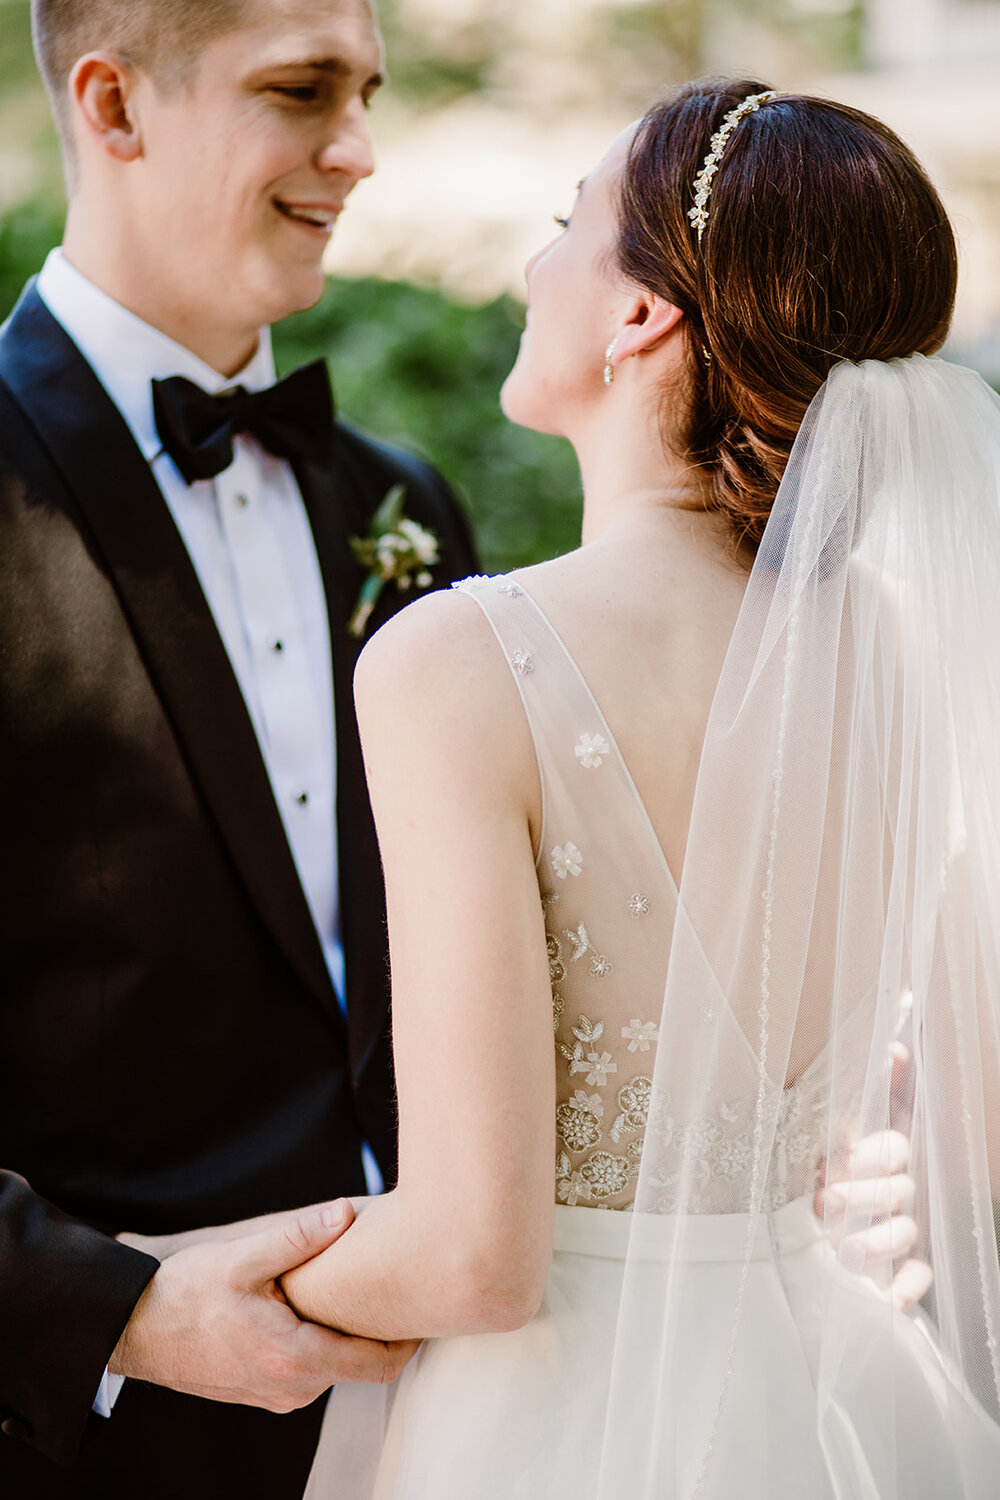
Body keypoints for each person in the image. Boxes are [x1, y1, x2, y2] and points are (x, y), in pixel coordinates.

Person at [230, 80, 1000, 1496]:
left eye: (561, 226)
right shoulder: (896, 651)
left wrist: (190, 1288)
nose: (533, 272)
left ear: (641, 315)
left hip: (555, 1428)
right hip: (833, 1399)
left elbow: (476, 1254)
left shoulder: (461, 662)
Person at [0, 0, 477, 1496]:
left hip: (451, 1412)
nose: (358, 149)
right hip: (90, 1443)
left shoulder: (400, 510)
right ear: (113, 103)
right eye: (301, 90)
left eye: (370, 93)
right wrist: (119, 1314)